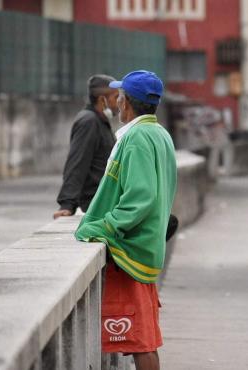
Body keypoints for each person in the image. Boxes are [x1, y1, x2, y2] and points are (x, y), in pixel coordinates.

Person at [75, 70, 176, 370]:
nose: (116, 103)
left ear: (126, 102)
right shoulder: (160, 134)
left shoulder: (136, 138)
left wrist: (105, 226)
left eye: (119, 97)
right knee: (142, 338)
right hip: (145, 248)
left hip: (130, 250)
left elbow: (140, 198)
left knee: (140, 342)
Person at [54, 74, 119, 219]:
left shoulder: (100, 121)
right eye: (115, 98)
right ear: (103, 100)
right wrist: (67, 204)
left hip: (108, 199)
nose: (119, 103)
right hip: (98, 203)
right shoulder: (89, 122)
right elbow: (77, 162)